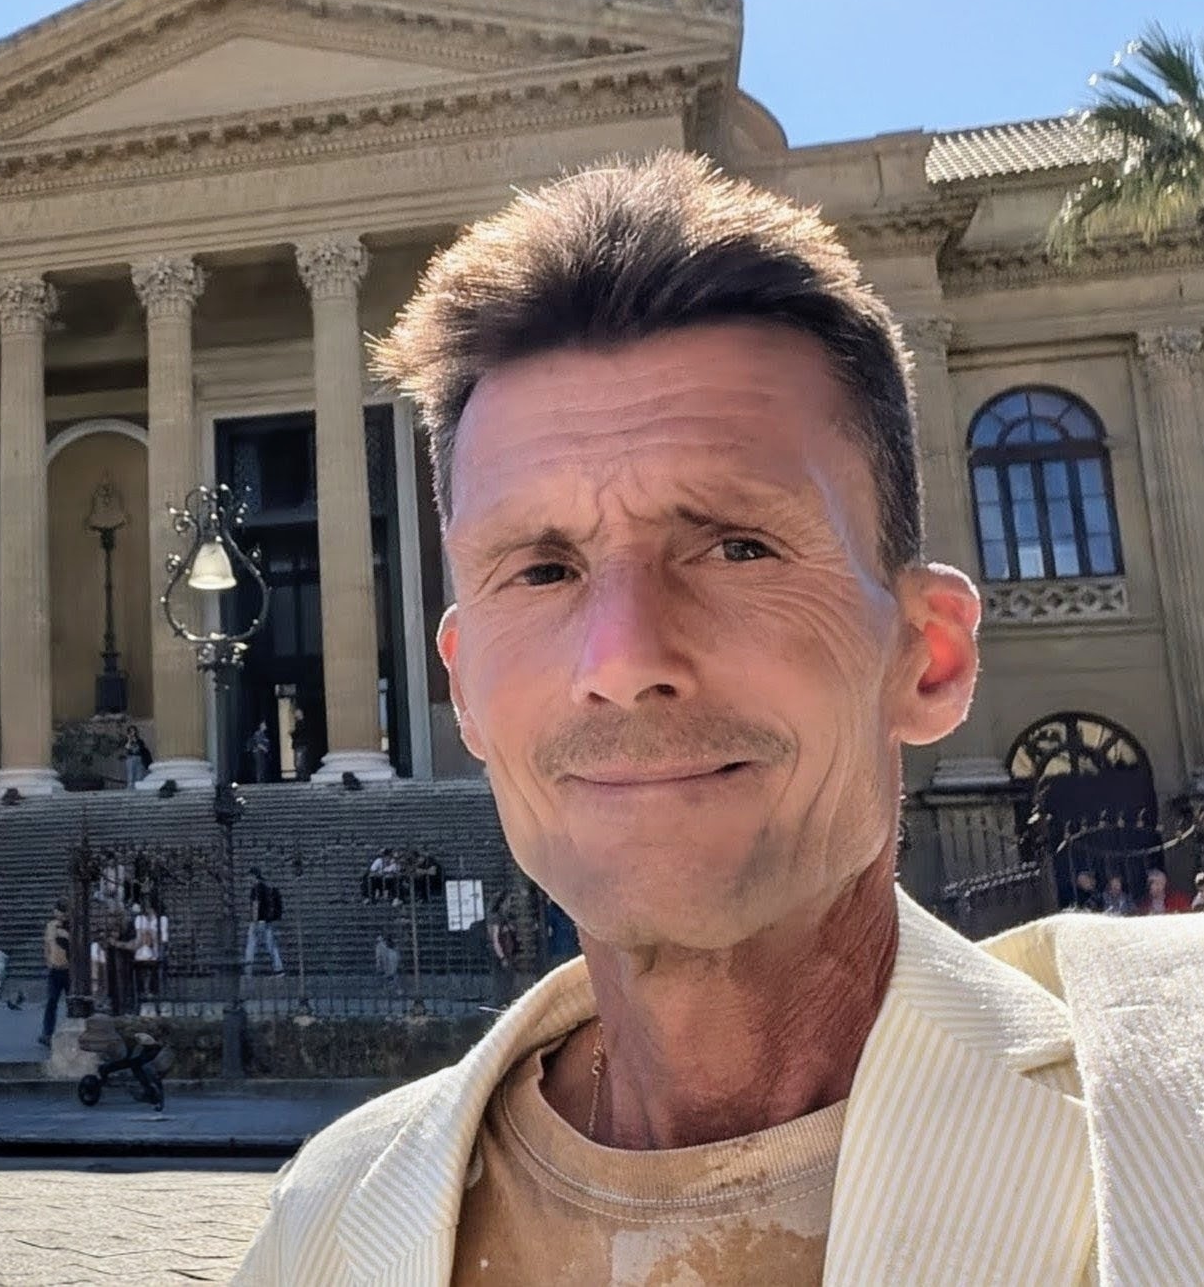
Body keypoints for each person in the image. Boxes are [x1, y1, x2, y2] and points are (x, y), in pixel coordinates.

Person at [233, 154, 1204, 1283]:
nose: (623, 660)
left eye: (736, 545)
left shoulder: (1161, 1107)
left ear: (924, 655)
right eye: (541, 569)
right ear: (464, 688)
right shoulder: (333, 1216)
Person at [39, 900, 72, 1048]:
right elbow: (47, 944)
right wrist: (47, 960)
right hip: (55, 968)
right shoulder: (50, 926)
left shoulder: (72, 926)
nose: (58, 914)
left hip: (69, 969)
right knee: (51, 1001)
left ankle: (72, 1028)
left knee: (72, 1001)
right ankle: (47, 1032)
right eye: (57, 911)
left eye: (61, 911)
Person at [246, 869, 286, 975]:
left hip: (258, 921)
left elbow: (255, 906)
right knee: (271, 945)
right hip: (267, 921)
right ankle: (279, 968)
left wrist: (254, 922)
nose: (248, 879)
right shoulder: (266, 888)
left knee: (251, 945)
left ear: (253, 876)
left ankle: (248, 969)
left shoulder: (255, 889)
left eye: (249, 876)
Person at [132, 900, 165, 1011]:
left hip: (156, 950)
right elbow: (141, 937)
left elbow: (159, 938)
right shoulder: (141, 919)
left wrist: (150, 935)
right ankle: (144, 992)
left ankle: (154, 992)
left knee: (154, 967)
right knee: (142, 967)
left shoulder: (161, 920)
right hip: (143, 949)